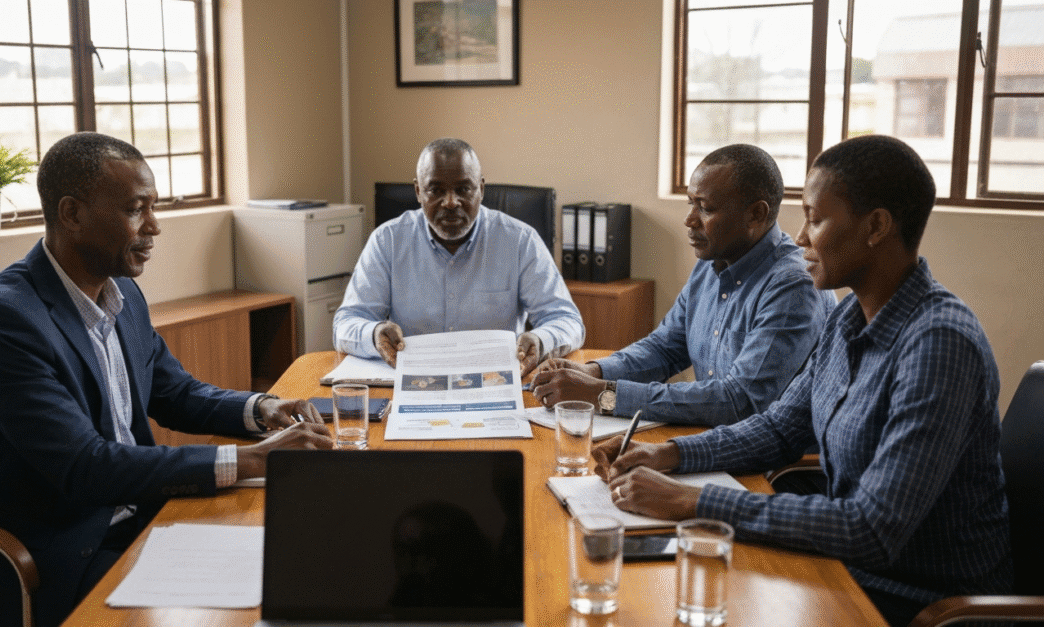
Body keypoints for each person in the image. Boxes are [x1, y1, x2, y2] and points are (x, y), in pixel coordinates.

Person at [592, 135, 1012, 626]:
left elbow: (871, 529)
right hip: (847, 569)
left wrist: (694, 500)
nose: (799, 238)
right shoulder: (851, 315)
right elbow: (778, 428)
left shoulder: (940, 344)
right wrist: (672, 455)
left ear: (877, 226)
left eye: (815, 219)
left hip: (918, 600)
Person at [0, 132, 334, 627]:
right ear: (72, 214)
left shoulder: (121, 294)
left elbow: (175, 392)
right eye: (135, 209)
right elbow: (86, 467)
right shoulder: (4, 321)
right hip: (51, 556)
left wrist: (261, 409)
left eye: (154, 207)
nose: (154, 226)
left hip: (140, 520)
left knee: (294, 562)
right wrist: (249, 458)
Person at [532, 144, 833, 425]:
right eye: (691, 203)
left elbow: (740, 401)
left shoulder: (793, 286)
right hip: (710, 437)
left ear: (756, 214)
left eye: (705, 208)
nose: (689, 219)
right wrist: (593, 371)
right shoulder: (710, 262)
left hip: (765, 463)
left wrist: (601, 393)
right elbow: (666, 347)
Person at [332, 138, 584, 377]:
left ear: (481, 189)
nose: (451, 202)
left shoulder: (519, 241)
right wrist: (374, 333)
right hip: (414, 383)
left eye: (463, 189)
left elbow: (567, 321)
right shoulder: (388, 241)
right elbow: (346, 324)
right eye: (436, 190)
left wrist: (540, 341)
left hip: (495, 383)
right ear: (419, 192)